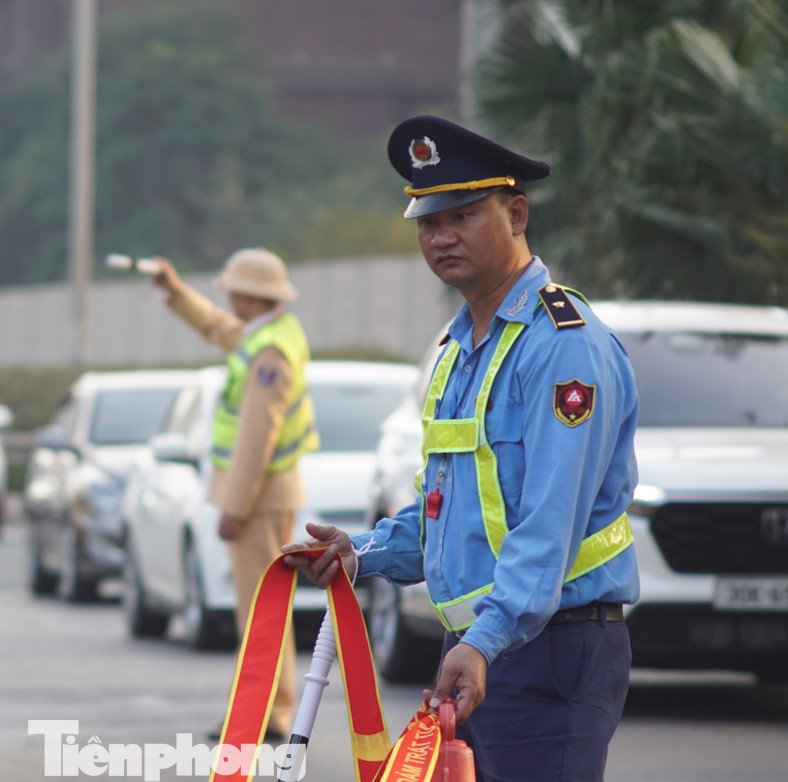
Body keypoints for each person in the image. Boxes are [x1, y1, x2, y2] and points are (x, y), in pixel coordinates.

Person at [283, 115, 640, 782]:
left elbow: (549, 520)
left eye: (464, 215)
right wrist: (359, 555)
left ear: (516, 213)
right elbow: (448, 510)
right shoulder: (460, 349)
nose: (442, 237)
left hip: (549, 645)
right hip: (485, 643)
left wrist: (484, 640)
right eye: (427, 222)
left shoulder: (563, 345)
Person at [149, 248, 319, 742]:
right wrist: (176, 292)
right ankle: (265, 711)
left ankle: (266, 715)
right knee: (262, 611)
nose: (226, 296)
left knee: (260, 613)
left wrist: (234, 507)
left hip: (260, 498)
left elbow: (255, 438)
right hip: (267, 496)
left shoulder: (269, 351)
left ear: (248, 293)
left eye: (231, 289)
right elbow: (218, 328)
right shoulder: (265, 334)